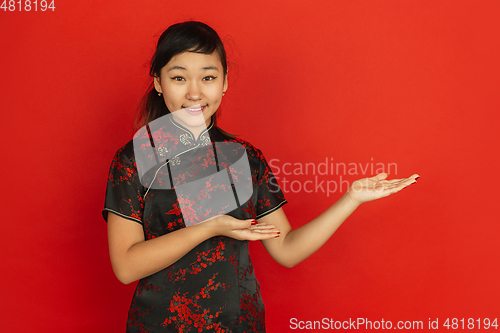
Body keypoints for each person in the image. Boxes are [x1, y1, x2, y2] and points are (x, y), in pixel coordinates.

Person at [102, 21, 419, 332]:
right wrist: (208, 227)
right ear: (158, 82)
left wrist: (351, 199)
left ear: (224, 82)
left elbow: (287, 250)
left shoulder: (244, 157)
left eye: (208, 77)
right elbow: (127, 267)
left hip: (241, 324)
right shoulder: (135, 158)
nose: (194, 92)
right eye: (179, 77)